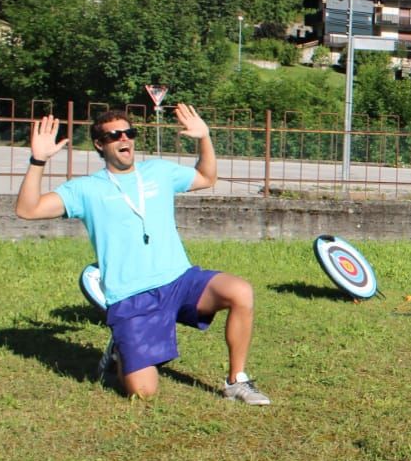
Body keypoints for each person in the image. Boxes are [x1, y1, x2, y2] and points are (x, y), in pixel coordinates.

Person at [14, 105, 268, 405]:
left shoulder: (158, 171)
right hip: (132, 297)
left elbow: (206, 177)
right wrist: (38, 160)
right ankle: (121, 351)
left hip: (179, 280)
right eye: (114, 135)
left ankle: (236, 381)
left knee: (240, 291)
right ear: (100, 144)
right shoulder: (85, 190)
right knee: (143, 392)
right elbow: (27, 210)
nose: (125, 139)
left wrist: (204, 137)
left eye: (129, 133)